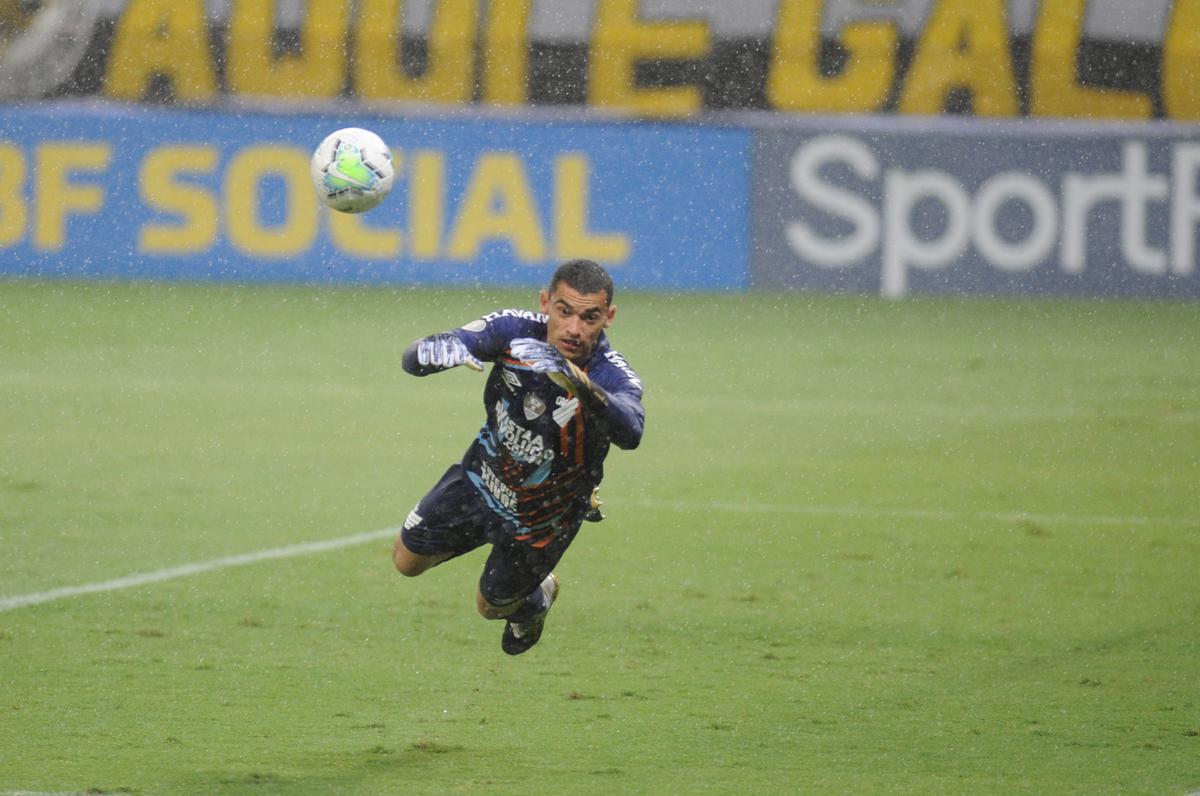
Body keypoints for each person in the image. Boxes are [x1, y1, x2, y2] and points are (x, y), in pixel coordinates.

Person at [393, 259, 645, 655]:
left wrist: (577, 381)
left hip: (544, 518)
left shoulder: (610, 372)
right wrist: (436, 350)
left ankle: (535, 602)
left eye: (589, 317)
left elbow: (631, 430)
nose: (574, 328)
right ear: (545, 303)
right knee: (405, 560)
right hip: (482, 479)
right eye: (564, 311)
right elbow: (415, 358)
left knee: (489, 606)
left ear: (608, 317)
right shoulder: (514, 331)